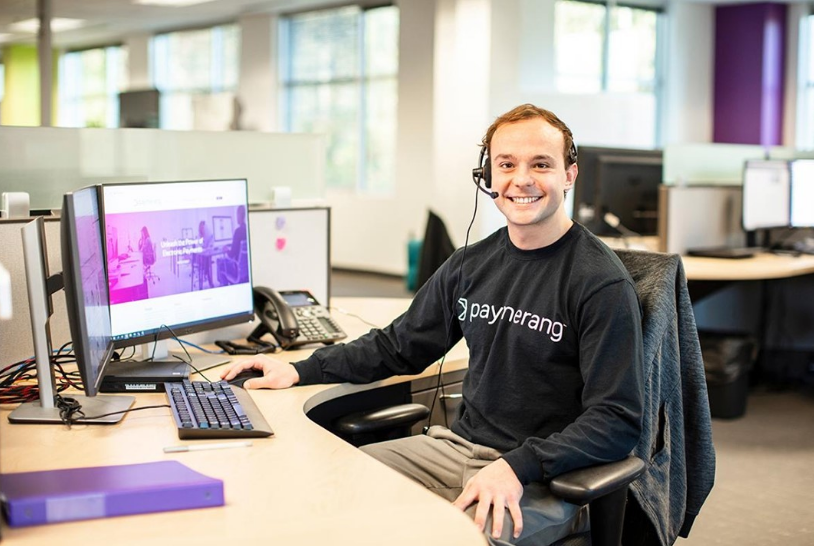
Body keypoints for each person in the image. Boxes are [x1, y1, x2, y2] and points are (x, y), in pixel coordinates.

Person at [220, 104, 644, 545]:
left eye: (541, 164)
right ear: (488, 177)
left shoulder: (599, 282)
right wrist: (300, 368)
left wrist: (518, 466)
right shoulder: (472, 264)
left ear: (569, 175)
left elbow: (616, 420)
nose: (522, 179)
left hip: (546, 477)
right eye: (506, 164)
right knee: (330, 493)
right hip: (454, 450)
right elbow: (398, 345)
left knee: (452, 539)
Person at [197, 220, 214, 289]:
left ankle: (206, 272)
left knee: (207, 258)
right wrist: (203, 247)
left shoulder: (207, 234)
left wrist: (208, 247)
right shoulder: (198, 235)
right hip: (200, 257)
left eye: (203, 227)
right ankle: (209, 280)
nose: (202, 228)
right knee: (207, 261)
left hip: (206, 256)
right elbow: (199, 246)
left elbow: (210, 243)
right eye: (201, 227)